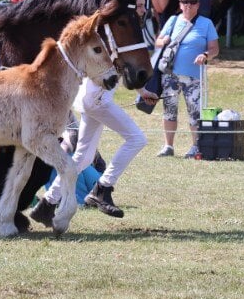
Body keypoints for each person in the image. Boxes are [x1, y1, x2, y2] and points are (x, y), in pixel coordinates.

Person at [30, 80, 158, 224]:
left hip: (91, 98)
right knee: (137, 139)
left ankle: (46, 204)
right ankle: (103, 188)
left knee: (83, 157)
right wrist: (143, 92)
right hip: (98, 99)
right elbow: (127, 67)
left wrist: (143, 92)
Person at [156, 0, 219, 158]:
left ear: (198, 4)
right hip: (170, 75)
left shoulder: (206, 23)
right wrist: (165, 40)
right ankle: (168, 146)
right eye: (185, 2)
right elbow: (158, 42)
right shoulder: (173, 21)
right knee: (169, 110)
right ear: (180, 4)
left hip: (194, 77)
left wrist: (205, 55)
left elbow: (214, 49)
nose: (188, 6)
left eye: (192, 2)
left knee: (195, 113)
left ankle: (196, 147)